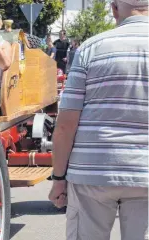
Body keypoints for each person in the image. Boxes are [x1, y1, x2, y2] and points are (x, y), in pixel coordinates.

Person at [48, 1, 148, 240]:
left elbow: (65, 125)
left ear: (114, 9)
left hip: (92, 174)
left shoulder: (91, 48)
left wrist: (59, 178)